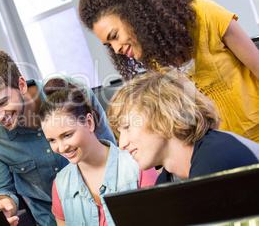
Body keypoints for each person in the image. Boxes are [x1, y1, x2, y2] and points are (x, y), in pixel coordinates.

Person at [78, 0, 259, 142]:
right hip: (222, 148)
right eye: (109, 45)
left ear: (134, 15)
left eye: (115, 36)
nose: (116, 48)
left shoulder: (207, 14)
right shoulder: (156, 60)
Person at [0, 49, 116, 226]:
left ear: (21, 85)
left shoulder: (70, 92)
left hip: (106, 207)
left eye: (3, 102)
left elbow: (110, 151)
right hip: (51, 219)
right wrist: (2, 205)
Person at [107, 68, 259, 185]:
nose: (122, 145)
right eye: (119, 134)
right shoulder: (166, 181)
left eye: (127, 127)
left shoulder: (217, 161)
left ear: (164, 116)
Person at [39, 78, 157, 226]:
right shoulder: (60, 185)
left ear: (89, 122)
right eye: (52, 140)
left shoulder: (138, 166)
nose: (61, 148)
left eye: (67, 135)